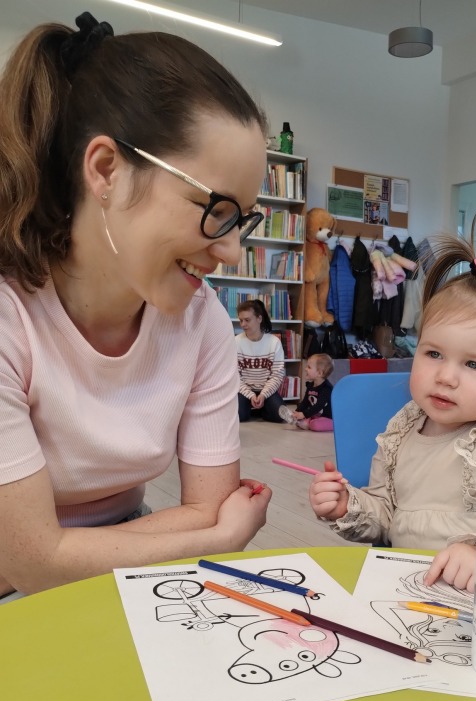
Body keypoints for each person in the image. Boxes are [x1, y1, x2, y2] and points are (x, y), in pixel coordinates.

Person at [0, 12, 273, 596]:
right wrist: (217, 540)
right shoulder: (10, 317)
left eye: (243, 221)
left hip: (131, 562)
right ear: (106, 170)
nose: (231, 251)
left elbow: (209, 506)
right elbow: (31, 565)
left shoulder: (202, 319)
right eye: (216, 210)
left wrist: (60, 553)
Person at [309, 228, 476, 592]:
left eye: (473, 364)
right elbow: (384, 515)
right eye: (433, 353)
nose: (445, 377)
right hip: (403, 589)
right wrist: (346, 505)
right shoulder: (401, 429)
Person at [236, 299, 290, 423]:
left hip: (266, 390)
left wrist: (263, 395)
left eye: (247, 320)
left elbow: (277, 375)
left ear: (259, 318)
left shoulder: (274, 342)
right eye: (241, 320)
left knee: (280, 416)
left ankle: (259, 408)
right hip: (244, 390)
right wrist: (250, 395)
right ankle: (254, 408)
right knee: (239, 416)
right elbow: (234, 376)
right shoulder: (236, 342)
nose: (243, 324)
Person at [283, 353, 334, 431]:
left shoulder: (327, 388)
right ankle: (306, 423)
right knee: (304, 420)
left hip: (327, 418)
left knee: (315, 425)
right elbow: (305, 402)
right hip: (315, 415)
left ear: (319, 373)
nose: (305, 369)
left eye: (309, 367)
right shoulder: (310, 385)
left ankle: (331, 425)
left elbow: (318, 406)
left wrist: (304, 414)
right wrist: (297, 412)